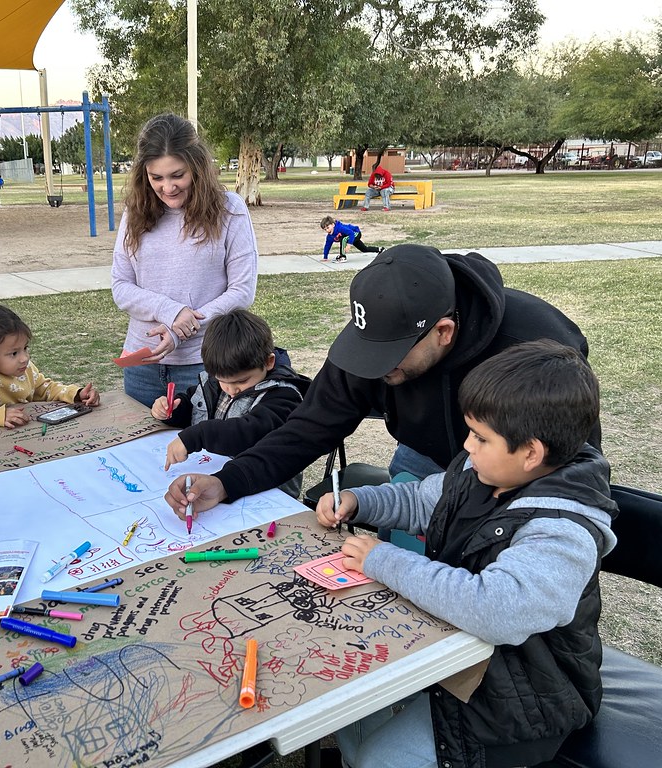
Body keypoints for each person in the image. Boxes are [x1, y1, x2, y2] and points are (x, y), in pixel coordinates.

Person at [314, 340, 618, 768]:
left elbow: (496, 609)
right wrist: (361, 502)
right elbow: (422, 501)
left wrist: (382, 559)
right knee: (344, 693)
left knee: (378, 757)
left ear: (531, 452)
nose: (467, 446)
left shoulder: (561, 532)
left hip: (521, 698)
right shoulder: (481, 469)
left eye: (480, 437)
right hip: (454, 651)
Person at [164, 244, 597, 516]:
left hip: (517, 483)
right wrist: (227, 481)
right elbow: (307, 429)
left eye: (388, 356)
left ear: (443, 332)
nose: (373, 367)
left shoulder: (537, 345)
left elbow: (568, 464)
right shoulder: (376, 336)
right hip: (420, 458)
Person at [111, 112, 258, 408]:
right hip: (141, 366)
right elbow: (121, 285)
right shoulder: (134, 211)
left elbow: (242, 291)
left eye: (178, 175)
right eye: (157, 177)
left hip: (203, 365)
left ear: (197, 166)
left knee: (202, 452)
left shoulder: (231, 209)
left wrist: (179, 331)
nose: (168, 187)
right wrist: (172, 311)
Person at [151, 309, 311, 497]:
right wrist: (174, 409)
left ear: (268, 362)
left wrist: (198, 436)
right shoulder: (214, 384)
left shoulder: (283, 396)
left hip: (268, 491)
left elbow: (249, 431)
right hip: (221, 479)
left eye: (241, 381)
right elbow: (194, 404)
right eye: (222, 381)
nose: (231, 389)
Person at [0, 303, 100, 429]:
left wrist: (76, 394)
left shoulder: (25, 370)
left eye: (25, 348)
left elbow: (45, 389)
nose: (24, 358)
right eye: (14, 353)